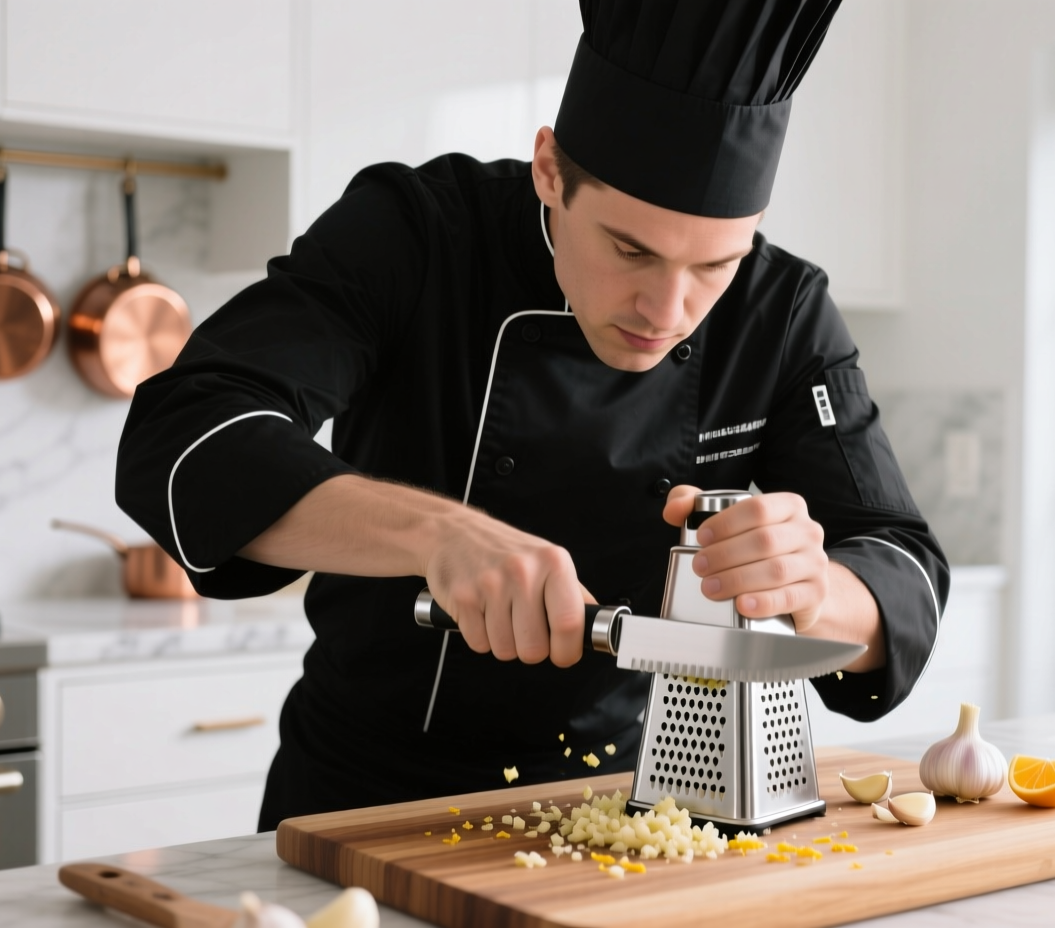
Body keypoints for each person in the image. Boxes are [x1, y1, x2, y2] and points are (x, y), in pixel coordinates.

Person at [115, 0, 948, 831]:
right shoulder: (416, 234)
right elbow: (186, 430)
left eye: (716, 265)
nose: (669, 309)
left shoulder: (783, 310)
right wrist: (436, 535)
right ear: (549, 169)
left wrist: (819, 589)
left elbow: (901, 562)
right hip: (365, 797)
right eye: (631, 250)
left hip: (632, 806)